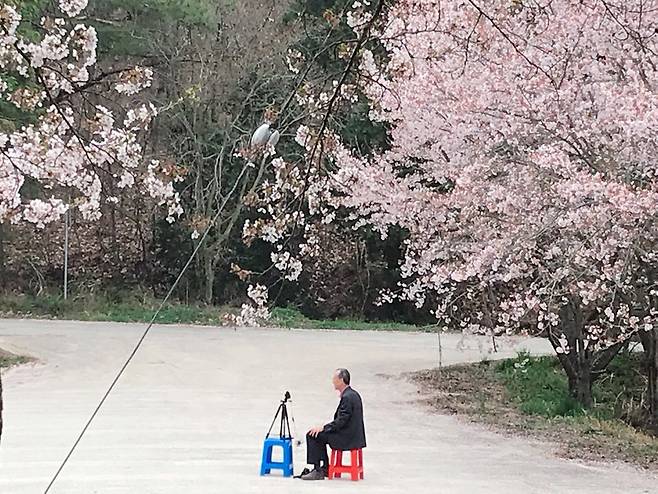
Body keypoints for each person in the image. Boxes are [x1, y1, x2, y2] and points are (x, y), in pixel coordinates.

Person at [301, 368, 366, 481]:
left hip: (346, 437)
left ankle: (318, 470)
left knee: (312, 435)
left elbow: (341, 421)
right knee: (320, 434)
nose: (333, 381)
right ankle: (325, 467)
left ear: (341, 380)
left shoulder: (347, 397)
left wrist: (324, 428)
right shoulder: (353, 394)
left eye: (334, 379)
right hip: (352, 434)